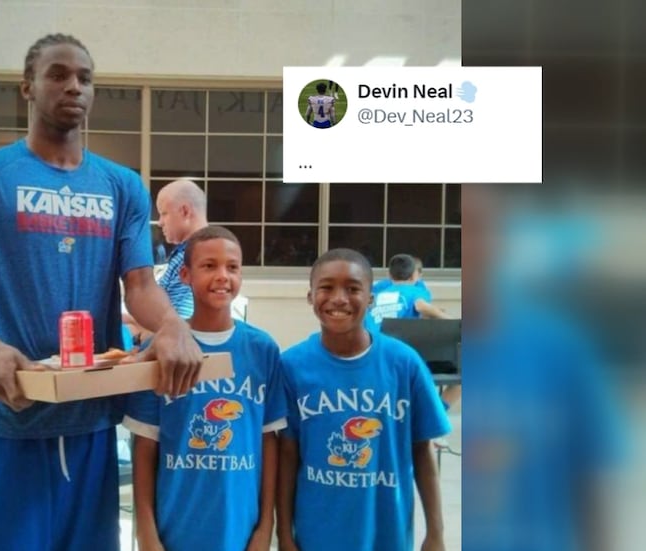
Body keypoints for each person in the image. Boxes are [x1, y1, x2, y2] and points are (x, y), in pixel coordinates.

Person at [0, 33, 203, 551]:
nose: (74, 85)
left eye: (85, 78)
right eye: (58, 74)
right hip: (9, 419)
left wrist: (171, 325)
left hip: (92, 424)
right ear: (27, 87)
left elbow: (139, 285)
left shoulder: (122, 186)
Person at [123, 226, 287, 551]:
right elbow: (143, 448)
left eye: (233, 267)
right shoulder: (162, 349)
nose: (223, 275)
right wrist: (147, 535)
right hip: (175, 530)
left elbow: (269, 442)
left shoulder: (262, 349)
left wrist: (265, 528)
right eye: (209, 266)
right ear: (185, 275)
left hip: (240, 530)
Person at [277, 248, 451, 551]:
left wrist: (435, 533)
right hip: (317, 535)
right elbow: (288, 456)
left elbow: (423, 450)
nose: (340, 298)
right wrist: (284, 535)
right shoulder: (292, 366)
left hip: (386, 533)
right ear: (310, 297)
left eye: (353, 288)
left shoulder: (404, 363)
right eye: (327, 287)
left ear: (370, 300)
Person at [124, 178, 209, 342]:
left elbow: (176, 326)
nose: (159, 222)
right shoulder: (186, 253)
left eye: (164, 213)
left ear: (185, 211)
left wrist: (130, 323)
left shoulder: (193, 257)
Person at [370, 253, 449, 328]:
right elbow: (420, 306)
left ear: (390, 276)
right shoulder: (417, 291)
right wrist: (451, 320)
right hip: (400, 338)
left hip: (374, 338)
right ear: (413, 276)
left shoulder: (378, 295)